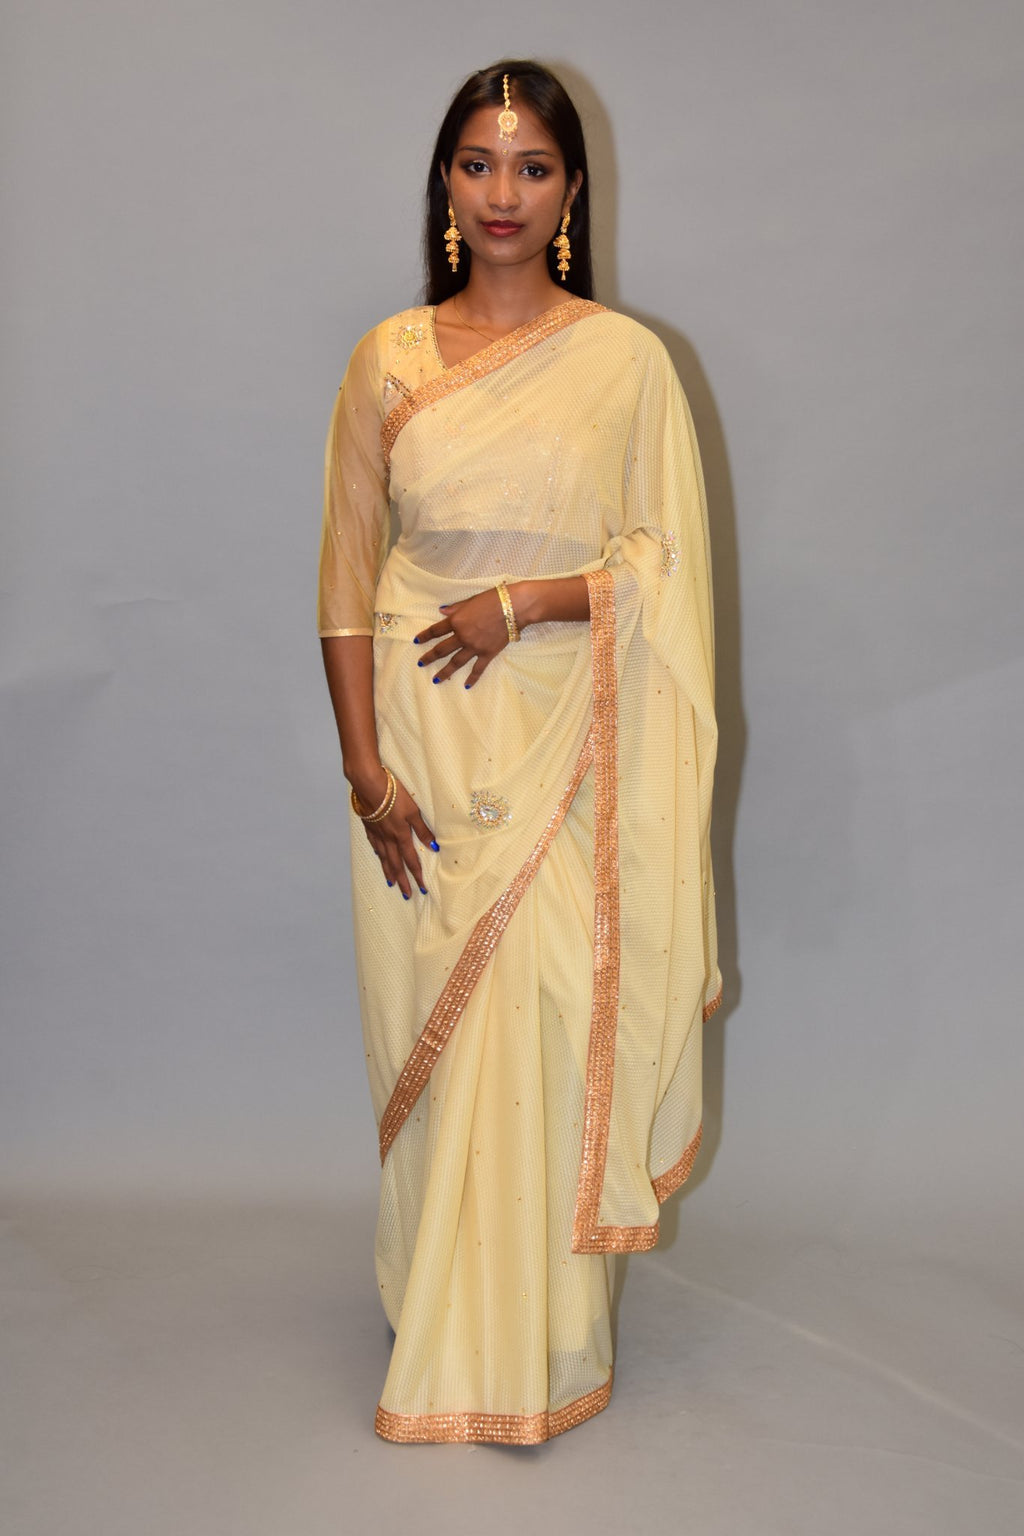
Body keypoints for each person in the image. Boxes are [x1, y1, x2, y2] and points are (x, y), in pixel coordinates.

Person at [316, 59, 721, 1445]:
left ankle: (543, 1336)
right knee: (437, 1024)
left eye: (534, 166)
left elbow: (667, 569)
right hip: (422, 749)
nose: (505, 192)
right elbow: (345, 580)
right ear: (445, 180)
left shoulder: (625, 363)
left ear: (573, 189)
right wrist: (365, 773)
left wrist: (530, 602)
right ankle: (436, 1297)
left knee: (553, 1018)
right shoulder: (387, 359)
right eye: (480, 163)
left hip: (572, 743)